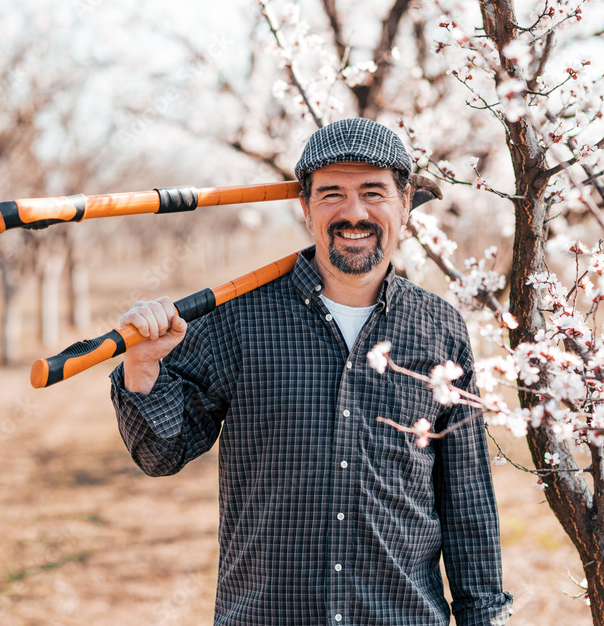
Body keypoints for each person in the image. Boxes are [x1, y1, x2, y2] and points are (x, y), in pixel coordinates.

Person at [109, 117, 513, 625]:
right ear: (305, 208)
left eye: (373, 192)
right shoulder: (238, 318)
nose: (354, 212)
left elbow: (467, 499)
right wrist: (143, 364)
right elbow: (160, 454)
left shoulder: (440, 327)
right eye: (331, 195)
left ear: (405, 205)